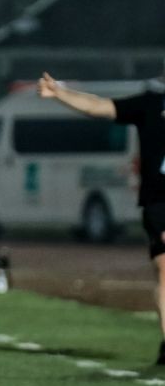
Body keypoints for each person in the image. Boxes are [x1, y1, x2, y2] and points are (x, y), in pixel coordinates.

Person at [39, 72, 165, 365]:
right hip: (159, 200)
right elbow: (100, 107)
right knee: (163, 268)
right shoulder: (150, 104)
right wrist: (60, 92)